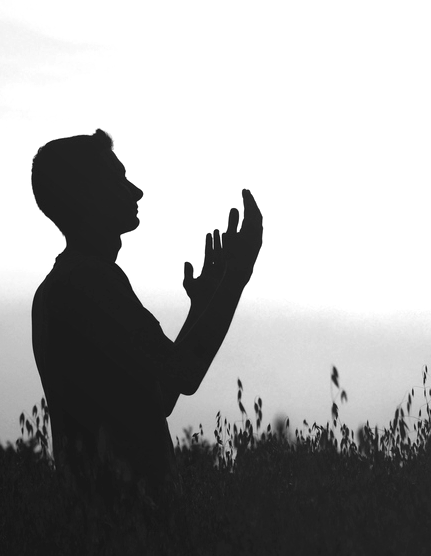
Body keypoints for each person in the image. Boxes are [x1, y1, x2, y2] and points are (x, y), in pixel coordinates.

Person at [30, 129, 262, 501]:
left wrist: (203, 306)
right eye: (117, 180)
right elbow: (184, 374)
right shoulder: (89, 282)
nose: (135, 192)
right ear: (88, 195)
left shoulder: (66, 285)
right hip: (123, 520)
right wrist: (236, 276)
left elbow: (160, 395)